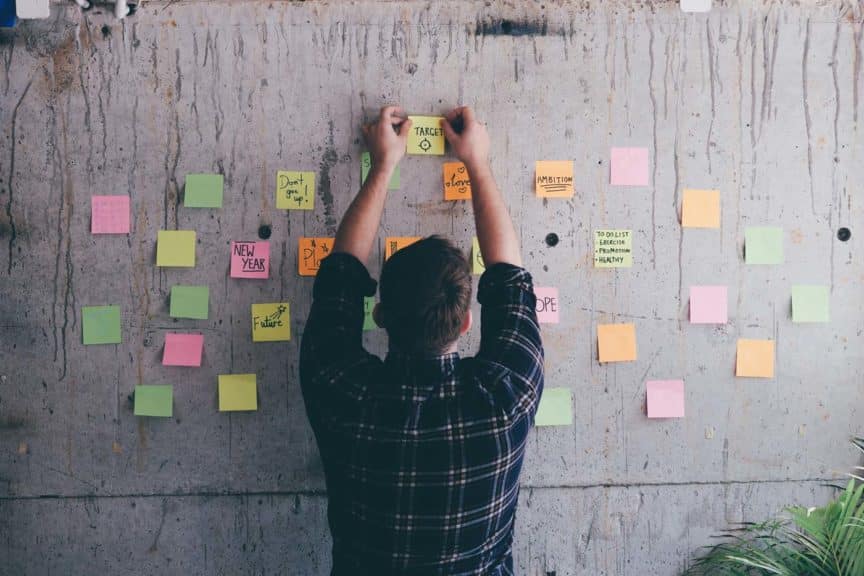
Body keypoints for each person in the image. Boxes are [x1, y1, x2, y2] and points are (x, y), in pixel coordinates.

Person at [300, 105, 544, 575]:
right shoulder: (504, 403)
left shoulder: (346, 395)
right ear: (465, 323)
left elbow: (338, 280)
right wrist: (477, 163)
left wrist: (383, 165)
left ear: (380, 316)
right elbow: (511, 280)